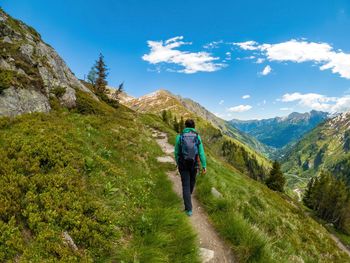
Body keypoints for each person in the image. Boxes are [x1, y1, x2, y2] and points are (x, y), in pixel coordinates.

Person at [174, 119, 206, 216]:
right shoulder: (197, 137)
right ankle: (189, 195)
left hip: (183, 164)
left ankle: (189, 210)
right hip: (194, 164)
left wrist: (177, 162)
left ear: (185, 126)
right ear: (194, 126)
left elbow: (176, 152)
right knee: (192, 182)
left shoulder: (179, 137)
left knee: (185, 185)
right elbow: (201, 153)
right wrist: (204, 166)